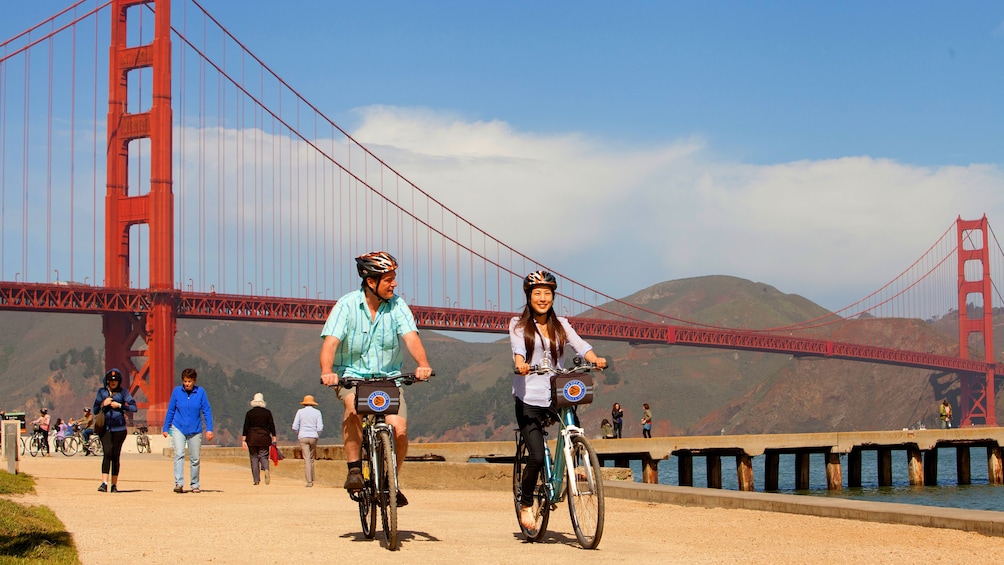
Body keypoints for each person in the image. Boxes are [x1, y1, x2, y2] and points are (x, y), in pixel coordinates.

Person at [319, 251, 433, 507]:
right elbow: (331, 343)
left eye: (395, 278)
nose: (394, 284)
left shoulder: (398, 306)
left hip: (389, 380)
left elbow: (411, 338)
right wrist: (328, 370)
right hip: (352, 378)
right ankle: (354, 469)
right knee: (353, 408)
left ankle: (391, 481)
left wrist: (423, 364)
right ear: (371, 282)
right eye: (389, 279)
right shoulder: (346, 306)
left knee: (399, 430)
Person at [509, 270, 607, 531]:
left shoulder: (561, 324)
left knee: (572, 428)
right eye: (537, 293)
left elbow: (580, 345)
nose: (542, 298)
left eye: (547, 293)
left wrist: (594, 358)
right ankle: (527, 503)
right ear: (529, 297)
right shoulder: (518, 325)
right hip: (529, 398)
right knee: (538, 457)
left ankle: (575, 457)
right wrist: (521, 364)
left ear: (553, 296)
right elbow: (519, 349)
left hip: (557, 394)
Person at [162, 367, 215, 494]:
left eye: (189, 381)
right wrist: (166, 427)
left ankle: (195, 484)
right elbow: (171, 410)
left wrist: (209, 429)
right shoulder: (177, 392)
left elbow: (206, 411)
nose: (187, 384)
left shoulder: (201, 392)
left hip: (195, 429)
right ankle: (179, 483)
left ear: (194, 381)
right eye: (185, 381)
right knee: (179, 454)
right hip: (178, 427)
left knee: (195, 458)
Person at [93, 368, 138, 492]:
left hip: (119, 428)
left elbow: (134, 407)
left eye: (116, 380)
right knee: (107, 452)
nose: (113, 382)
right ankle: (104, 483)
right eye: (111, 380)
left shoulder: (123, 393)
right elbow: (95, 410)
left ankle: (114, 485)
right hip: (105, 428)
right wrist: (103, 403)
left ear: (119, 381)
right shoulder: (101, 392)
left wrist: (120, 406)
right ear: (107, 381)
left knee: (115, 455)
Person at [241, 393, 277, 486]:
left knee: (254, 458)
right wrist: (274, 436)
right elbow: (271, 425)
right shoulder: (267, 412)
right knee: (263, 456)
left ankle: (256, 480)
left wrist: (243, 440)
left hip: (252, 438)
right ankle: (266, 469)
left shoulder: (249, 413)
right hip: (264, 437)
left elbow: (246, 426)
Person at [292, 394, 324, 487]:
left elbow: (294, 426)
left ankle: (309, 481)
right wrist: (316, 435)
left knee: (306, 459)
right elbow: (320, 427)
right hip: (313, 436)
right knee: (311, 458)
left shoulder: (300, 412)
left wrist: (299, 433)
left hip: (303, 436)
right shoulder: (317, 412)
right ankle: (312, 478)